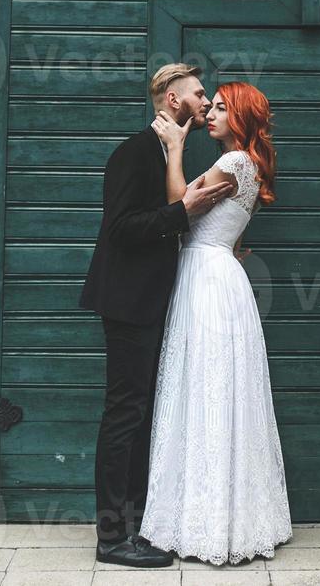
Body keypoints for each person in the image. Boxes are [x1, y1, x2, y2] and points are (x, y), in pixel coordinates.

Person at [78, 63, 236, 569]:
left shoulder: (167, 152)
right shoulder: (133, 151)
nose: (206, 100)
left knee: (140, 414)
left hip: (151, 301)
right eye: (198, 93)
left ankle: (136, 525)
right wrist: (181, 212)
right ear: (173, 101)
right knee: (124, 413)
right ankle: (110, 539)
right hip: (126, 301)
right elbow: (121, 229)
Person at [139, 80, 293, 565]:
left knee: (204, 386)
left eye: (222, 108)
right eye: (213, 106)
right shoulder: (246, 163)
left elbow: (178, 202)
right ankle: (229, 519)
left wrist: (176, 148)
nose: (211, 113)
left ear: (242, 117)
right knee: (219, 389)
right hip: (219, 274)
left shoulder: (232, 162)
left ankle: (204, 521)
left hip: (207, 276)